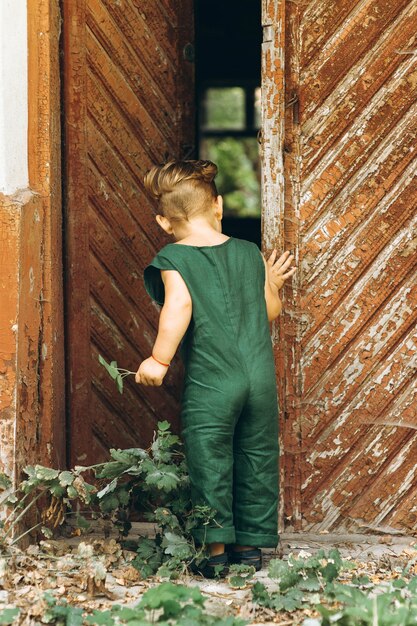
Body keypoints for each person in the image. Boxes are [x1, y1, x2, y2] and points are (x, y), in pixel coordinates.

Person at [135, 160, 296, 577]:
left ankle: (216, 552)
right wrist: (272, 285)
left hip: (214, 380)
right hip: (259, 379)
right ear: (219, 206)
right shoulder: (248, 252)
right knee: (256, 456)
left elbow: (179, 307)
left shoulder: (173, 257)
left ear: (164, 222)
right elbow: (266, 314)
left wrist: (159, 359)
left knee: (211, 456)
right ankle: (249, 551)